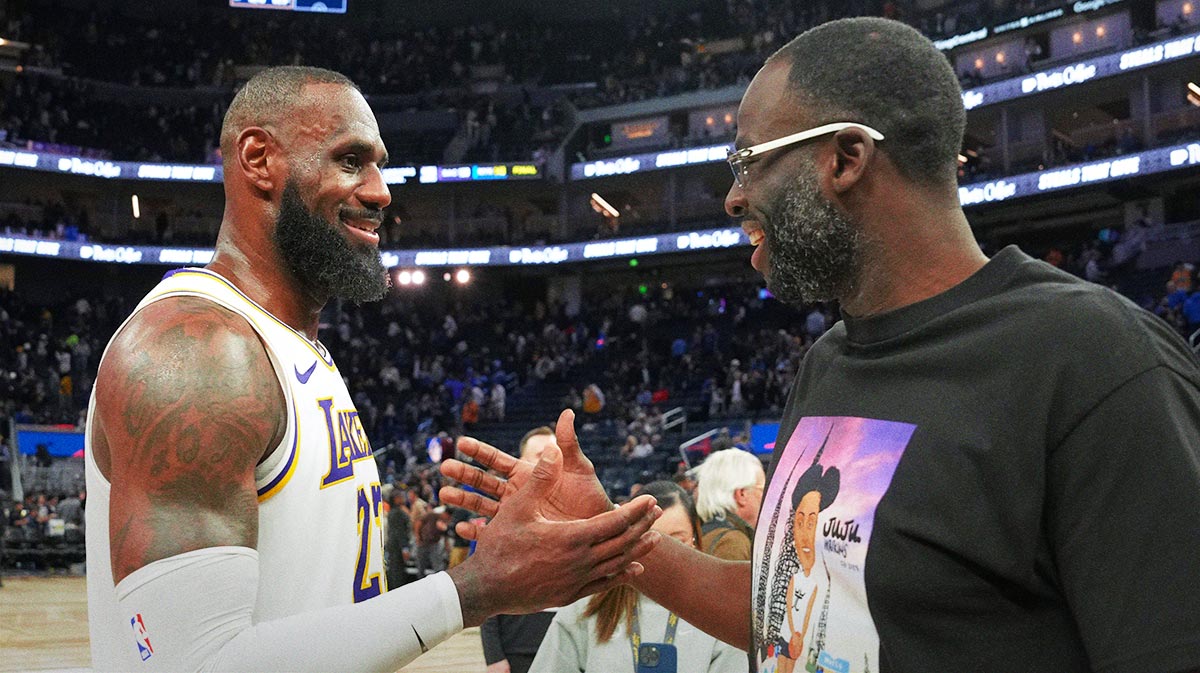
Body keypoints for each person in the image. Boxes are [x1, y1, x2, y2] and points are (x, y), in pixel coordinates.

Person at [441, 17, 1200, 673]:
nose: (734, 195)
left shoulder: (1095, 360)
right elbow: (790, 607)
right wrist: (609, 536)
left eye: (748, 159)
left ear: (843, 158)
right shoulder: (829, 362)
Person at [83, 65, 662, 673]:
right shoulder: (198, 352)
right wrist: (476, 589)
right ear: (258, 159)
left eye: (378, 164)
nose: (382, 191)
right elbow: (190, 663)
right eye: (351, 160)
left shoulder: (289, 348)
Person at [528, 481, 746, 673]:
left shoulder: (716, 611)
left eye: (677, 542)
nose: (661, 554)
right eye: (648, 541)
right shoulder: (587, 604)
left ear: (695, 540)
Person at [480, 426, 559, 673]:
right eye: (540, 456)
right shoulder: (502, 519)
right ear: (521, 463)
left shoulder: (583, 516)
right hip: (518, 651)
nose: (551, 462)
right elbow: (486, 591)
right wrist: (493, 655)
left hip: (567, 646)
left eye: (556, 454)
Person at [693, 449, 765, 561]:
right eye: (763, 489)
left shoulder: (702, 534)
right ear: (741, 494)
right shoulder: (732, 543)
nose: (766, 498)